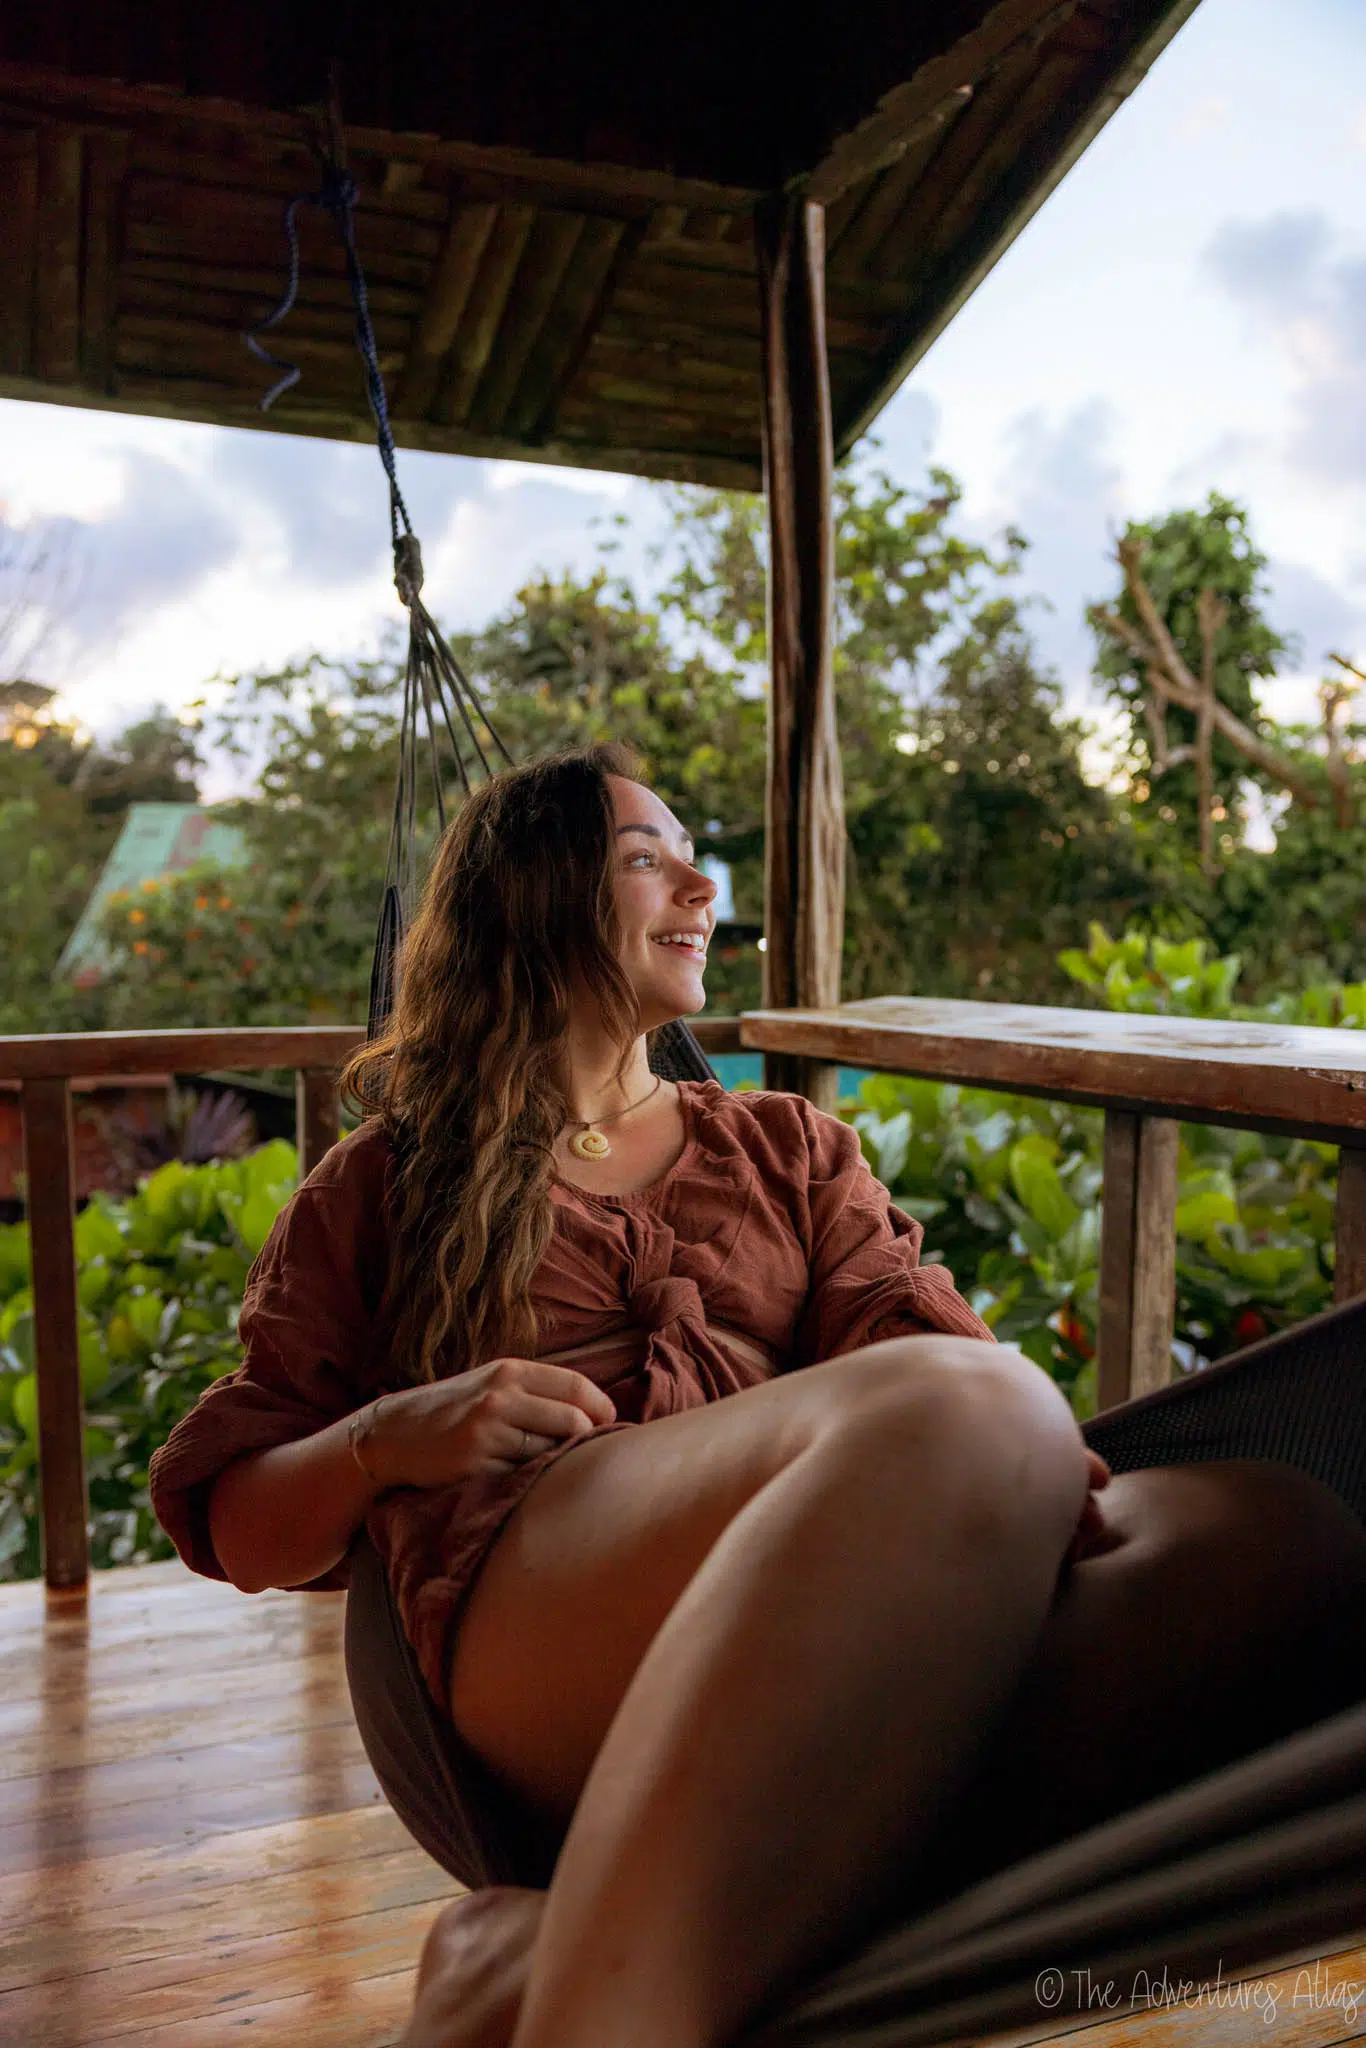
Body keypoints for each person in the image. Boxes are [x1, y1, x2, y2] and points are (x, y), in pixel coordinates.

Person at [149, 744, 1366, 2048]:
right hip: (535, 1653)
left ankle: (537, 1959)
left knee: (1266, 1536)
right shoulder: (386, 1183)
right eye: (645, 858)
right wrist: (388, 1440)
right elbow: (240, 1522)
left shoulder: (787, 1150)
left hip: (822, 1661)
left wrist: (1018, 1480)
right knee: (975, 1406)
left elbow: (934, 1365)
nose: (700, 883)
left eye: (692, 854)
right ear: (532, 898)